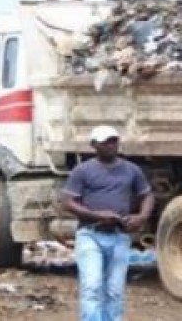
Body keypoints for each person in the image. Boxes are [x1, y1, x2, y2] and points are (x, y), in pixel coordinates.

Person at [61, 125, 154, 321]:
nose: (111, 145)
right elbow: (68, 202)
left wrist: (141, 216)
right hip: (90, 234)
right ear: (94, 145)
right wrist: (96, 215)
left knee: (114, 290)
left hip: (119, 236)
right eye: (105, 142)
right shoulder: (83, 171)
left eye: (114, 141)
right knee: (92, 286)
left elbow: (147, 195)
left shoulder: (131, 170)